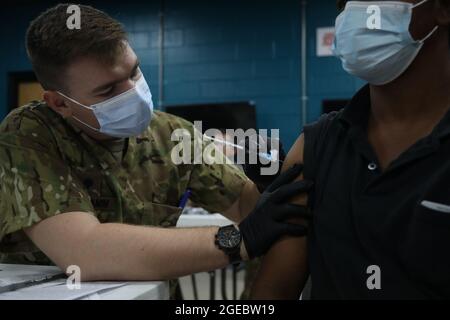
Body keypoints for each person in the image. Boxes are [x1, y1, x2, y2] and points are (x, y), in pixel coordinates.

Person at [0, 4, 312, 298]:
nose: (133, 93)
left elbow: (250, 208)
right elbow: (84, 251)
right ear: (60, 103)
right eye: (108, 90)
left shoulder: (172, 135)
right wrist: (237, 239)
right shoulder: (29, 134)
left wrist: (267, 184)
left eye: (134, 72)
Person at [250, 0, 450, 299]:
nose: (355, 9)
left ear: (441, 8)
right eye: (343, 2)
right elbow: (272, 294)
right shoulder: (314, 147)